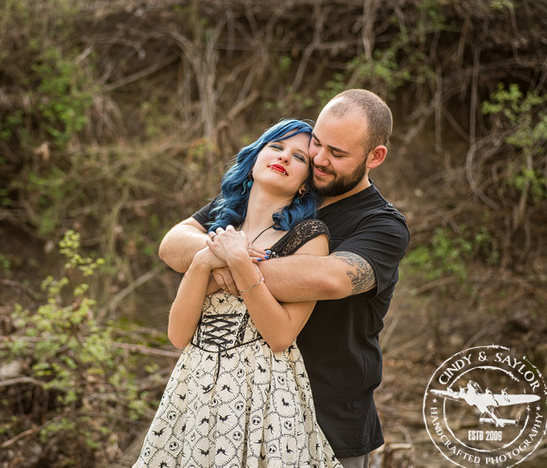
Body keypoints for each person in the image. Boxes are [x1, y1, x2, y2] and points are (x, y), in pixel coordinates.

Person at [158, 89, 410, 468]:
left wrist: (231, 261)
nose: (319, 159)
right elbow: (174, 243)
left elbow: (331, 280)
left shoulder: (382, 225)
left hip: (329, 420)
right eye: (318, 144)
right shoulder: (265, 199)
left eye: (337, 154)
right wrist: (215, 256)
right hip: (229, 407)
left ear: (375, 156)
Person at [133, 119, 341, 467]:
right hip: (195, 384)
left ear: (305, 185)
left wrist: (240, 263)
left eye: (299, 157)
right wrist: (204, 261)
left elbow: (280, 336)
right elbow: (178, 335)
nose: (284, 157)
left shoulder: (311, 235)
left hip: (265, 391)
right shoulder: (217, 226)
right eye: (276, 147)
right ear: (255, 158)